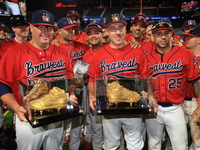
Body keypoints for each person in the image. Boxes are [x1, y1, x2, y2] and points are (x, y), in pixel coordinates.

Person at [0, 10, 74, 150]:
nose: (45, 32)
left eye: (49, 27)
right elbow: (2, 84)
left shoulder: (62, 53)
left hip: (56, 115)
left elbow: (69, 80)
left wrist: (71, 93)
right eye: (41, 27)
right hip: (27, 116)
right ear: (31, 27)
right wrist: (16, 108)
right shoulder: (14, 52)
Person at [88, 13, 148, 150]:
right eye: (113, 29)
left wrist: (147, 94)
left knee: (135, 144)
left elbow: (145, 76)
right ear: (107, 32)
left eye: (120, 28)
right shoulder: (99, 54)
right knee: (111, 144)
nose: (117, 32)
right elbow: (93, 78)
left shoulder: (138, 51)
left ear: (126, 29)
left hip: (132, 104)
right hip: (110, 107)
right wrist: (93, 94)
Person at [145, 19, 200, 150]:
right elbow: (144, 81)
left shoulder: (186, 53)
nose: (163, 37)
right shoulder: (146, 56)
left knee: (181, 146)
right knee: (153, 145)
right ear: (152, 36)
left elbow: (196, 80)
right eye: (158, 33)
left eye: (166, 33)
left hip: (175, 109)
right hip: (153, 109)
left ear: (172, 34)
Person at [56, 17, 89, 150]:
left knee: (77, 121)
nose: (71, 32)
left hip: (81, 87)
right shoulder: (53, 47)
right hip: (62, 89)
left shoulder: (83, 47)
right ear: (59, 31)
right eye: (67, 29)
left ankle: (74, 148)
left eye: (73, 29)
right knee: (60, 124)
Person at [83, 23, 104, 150]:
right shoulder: (86, 54)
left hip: (108, 90)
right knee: (96, 125)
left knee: (111, 126)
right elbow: (83, 77)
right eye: (90, 33)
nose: (93, 36)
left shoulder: (110, 49)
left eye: (96, 32)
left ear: (102, 34)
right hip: (91, 90)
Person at [182, 25, 200, 150]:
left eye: (190, 37)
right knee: (178, 138)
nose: (186, 39)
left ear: (199, 40)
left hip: (195, 102)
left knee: (197, 140)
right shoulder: (184, 55)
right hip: (180, 102)